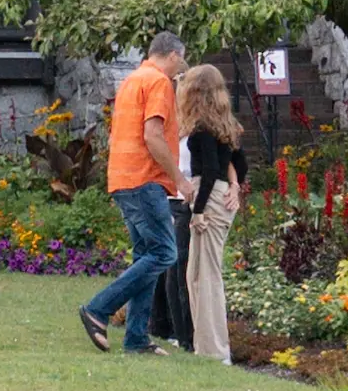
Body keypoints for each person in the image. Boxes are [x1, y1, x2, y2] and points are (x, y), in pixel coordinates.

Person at [79, 29, 188, 358]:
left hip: (123, 178)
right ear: (172, 55)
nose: (181, 68)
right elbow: (153, 135)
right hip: (145, 179)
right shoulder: (158, 82)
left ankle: (137, 338)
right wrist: (180, 180)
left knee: (146, 255)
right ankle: (98, 308)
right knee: (164, 253)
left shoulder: (131, 81)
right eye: (181, 60)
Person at [179, 58, 248, 366]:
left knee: (205, 277)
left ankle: (215, 351)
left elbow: (208, 172)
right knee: (197, 275)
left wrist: (198, 211)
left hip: (208, 200)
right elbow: (239, 164)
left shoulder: (204, 129)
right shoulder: (224, 125)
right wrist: (234, 187)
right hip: (217, 196)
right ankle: (206, 346)